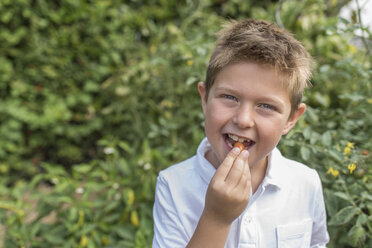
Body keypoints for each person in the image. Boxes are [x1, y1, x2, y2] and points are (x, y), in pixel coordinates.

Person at [152, 19, 329, 247]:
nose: (243, 120)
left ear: (291, 119)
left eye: (266, 106)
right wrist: (216, 218)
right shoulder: (173, 185)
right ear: (205, 99)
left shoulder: (306, 183)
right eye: (230, 97)